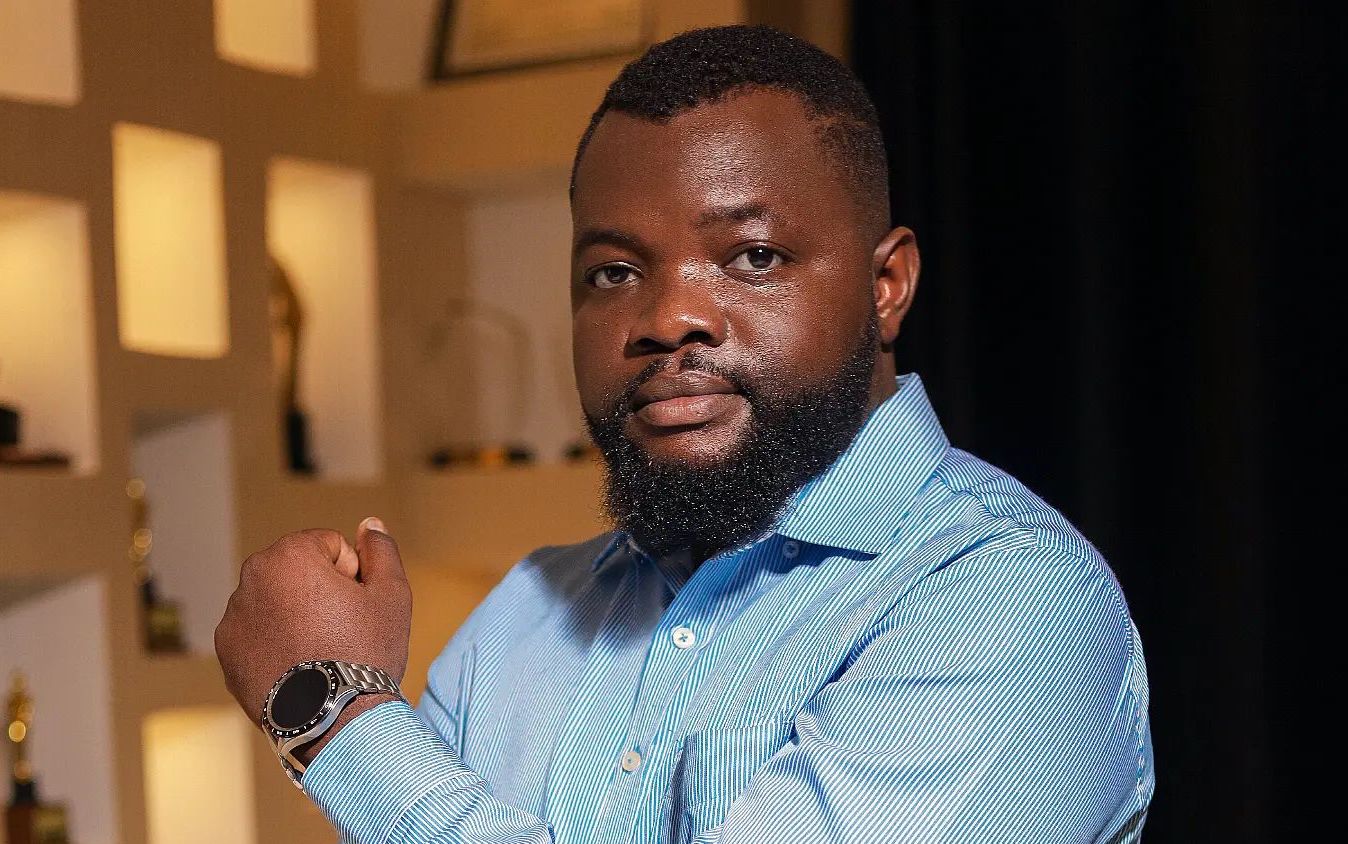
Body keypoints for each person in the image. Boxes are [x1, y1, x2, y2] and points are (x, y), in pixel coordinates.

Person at [216, 25, 1152, 844]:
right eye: (614, 273)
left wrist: (336, 718)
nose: (668, 318)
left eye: (753, 256)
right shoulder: (522, 618)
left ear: (886, 286)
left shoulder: (1014, 597)